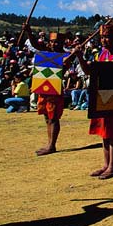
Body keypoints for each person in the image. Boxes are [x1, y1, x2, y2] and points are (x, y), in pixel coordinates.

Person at [74, 21, 113, 180]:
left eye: (107, 37)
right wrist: (80, 57)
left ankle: (112, 166)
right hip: (101, 99)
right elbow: (88, 72)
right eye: (102, 37)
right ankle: (106, 164)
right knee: (104, 134)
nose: (104, 40)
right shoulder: (99, 55)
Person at [23, 26, 75, 156]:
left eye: (57, 42)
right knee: (47, 117)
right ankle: (49, 143)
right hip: (43, 89)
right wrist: (29, 32)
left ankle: (52, 145)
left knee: (53, 118)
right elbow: (35, 45)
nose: (54, 44)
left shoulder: (65, 55)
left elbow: (65, 63)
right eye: (52, 42)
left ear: (62, 44)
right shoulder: (45, 52)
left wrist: (75, 53)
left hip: (54, 90)